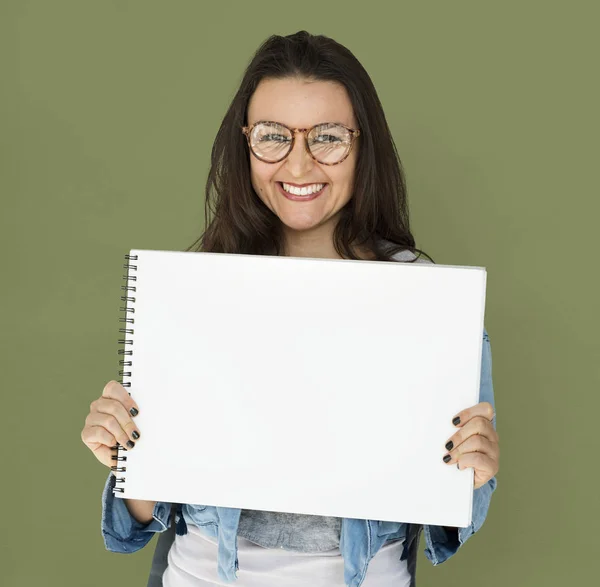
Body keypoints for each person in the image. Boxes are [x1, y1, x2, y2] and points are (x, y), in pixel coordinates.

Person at [81, 30, 500, 587]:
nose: (299, 165)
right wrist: (126, 452)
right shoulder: (192, 289)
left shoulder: (429, 303)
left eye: (327, 137)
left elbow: (451, 517)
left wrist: (472, 475)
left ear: (362, 144)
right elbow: (141, 519)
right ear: (245, 142)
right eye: (273, 136)